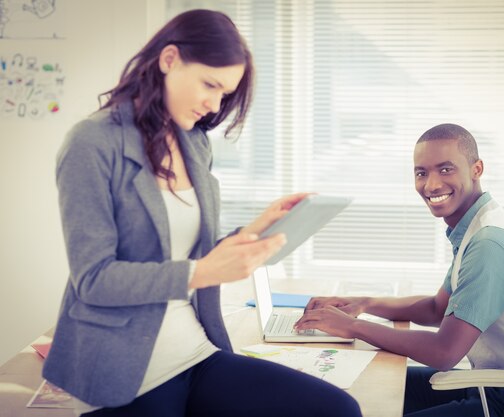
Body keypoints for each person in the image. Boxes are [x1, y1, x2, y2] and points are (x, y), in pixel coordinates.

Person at [42, 9, 362, 417]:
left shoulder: (192, 142)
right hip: (124, 373)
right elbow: (94, 280)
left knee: (337, 409)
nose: (214, 104)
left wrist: (259, 228)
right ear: (169, 59)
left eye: (224, 93)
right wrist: (203, 272)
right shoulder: (92, 143)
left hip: (194, 351)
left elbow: (191, 252)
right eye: (210, 85)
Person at [295, 123, 504, 417]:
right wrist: (363, 304)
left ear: (476, 169)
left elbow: (444, 353)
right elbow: (436, 308)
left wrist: (351, 327)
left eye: (446, 169)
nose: (431, 185)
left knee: (371, 398)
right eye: (421, 173)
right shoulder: (476, 227)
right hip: (496, 385)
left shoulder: (489, 245)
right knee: (363, 385)